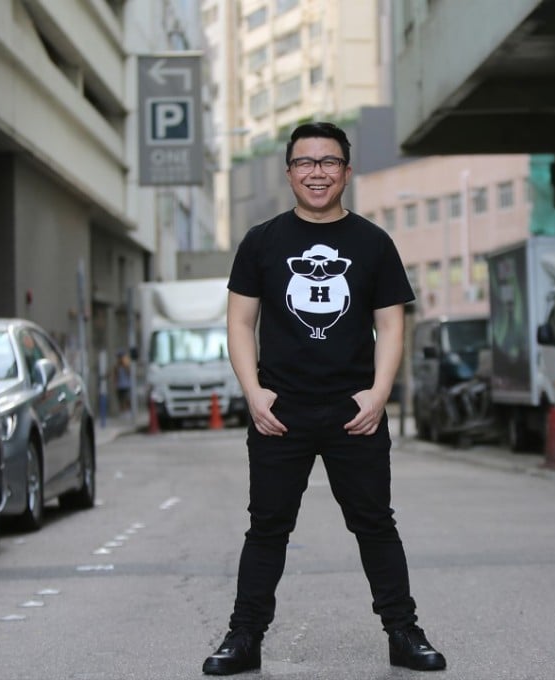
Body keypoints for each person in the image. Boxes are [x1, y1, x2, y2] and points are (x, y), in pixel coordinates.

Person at [202, 122, 446, 675]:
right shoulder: (262, 241)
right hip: (279, 411)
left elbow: (392, 325)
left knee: (375, 523)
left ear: (346, 171)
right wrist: (254, 394)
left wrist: (379, 395)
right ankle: (244, 638)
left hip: (352, 409)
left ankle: (403, 634)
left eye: (329, 162)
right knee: (267, 527)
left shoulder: (373, 243)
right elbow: (241, 323)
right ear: (289, 172)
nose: (317, 172)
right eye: (306, 163)